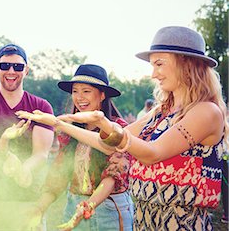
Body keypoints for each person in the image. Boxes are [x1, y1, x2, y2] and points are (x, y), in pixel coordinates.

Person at [24, 26, 227, 230]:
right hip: (143, 221)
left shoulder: (206, 112)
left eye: (159, 64)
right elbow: (107, 145)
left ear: (186, 63)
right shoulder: (160, 111)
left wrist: (104, 123)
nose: (153, 74)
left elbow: (152, 153)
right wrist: (60, 123)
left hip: (180, 223)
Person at [18, 64, 134, 231]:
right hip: (75, 205)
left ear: (102, 95)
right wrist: (39, 208)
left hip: (108, 211)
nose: (79, 97)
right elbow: (59, 173)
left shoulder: (118, 129)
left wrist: (89, 205)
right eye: (75, 91)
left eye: (86, 91)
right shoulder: (70, 130)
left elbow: (113, 177)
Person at [0, 43, 54, 230]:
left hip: (28, 198)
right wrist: (6, 151)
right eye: (5, 65)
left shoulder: (42, 106)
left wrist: (22, 170)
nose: (11, 71)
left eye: (17, 66)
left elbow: (41, 154)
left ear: (26, 70)